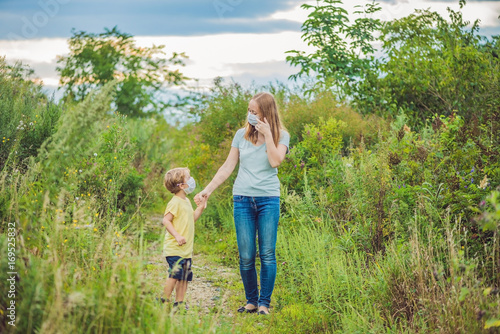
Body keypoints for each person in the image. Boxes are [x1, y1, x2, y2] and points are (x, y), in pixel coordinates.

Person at [194, 92, 290, 315]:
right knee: (246, 254)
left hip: (268, 199)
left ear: (266, 114)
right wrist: (207, 190)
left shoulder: (281, 135)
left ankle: (264, 304)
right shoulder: (241, 135)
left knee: (267, 253)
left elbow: (275, 161)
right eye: (249, 111)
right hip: (243, 199)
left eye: (254, 112)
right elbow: (227, 167)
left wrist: (267, 135)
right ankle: (251, 301)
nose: (250, 115)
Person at [161, 167, 206, 310]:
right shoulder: (175, 202)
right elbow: (166, 221)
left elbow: (191, 218)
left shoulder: (186, 201)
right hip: (175, 248)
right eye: (188, 177)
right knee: (175, 274)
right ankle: (164, 300)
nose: (191, 179)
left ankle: (179, 303)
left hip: (186, 250)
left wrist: (201, 207)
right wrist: (177, 235)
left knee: (185, 276)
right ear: (181, 185)